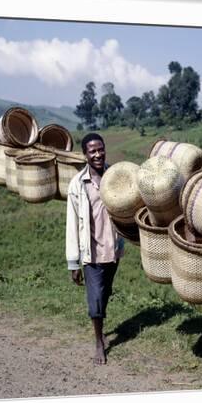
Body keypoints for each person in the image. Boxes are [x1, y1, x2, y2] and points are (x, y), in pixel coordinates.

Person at [66, 133, 124, 365]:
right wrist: (73, 262)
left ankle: (100, 318)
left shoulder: (115, 176)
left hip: (113, 249)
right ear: (85, 155)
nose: (98, 154)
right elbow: (72, 224)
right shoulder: (78, 184)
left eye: (101, 149)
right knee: (96, 298)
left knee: (105, 292)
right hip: (91, 251)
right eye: (92, 151)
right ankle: (99, 341)